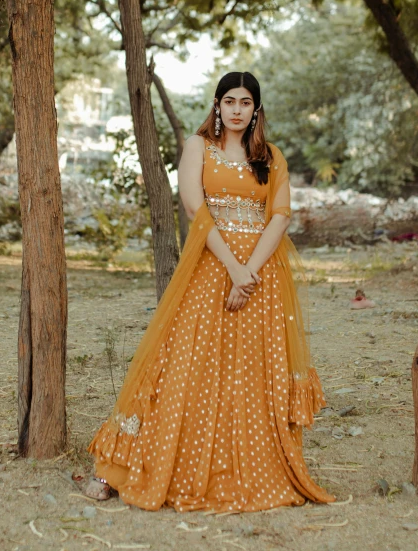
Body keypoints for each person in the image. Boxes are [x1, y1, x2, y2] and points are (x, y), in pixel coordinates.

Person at [85, 71, 336, 512]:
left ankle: (251, 468)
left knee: (254, 374)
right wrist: (234, 269)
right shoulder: (198, 147)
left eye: (245, 102)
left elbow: (279, 215)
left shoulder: (272, 157)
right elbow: (193, 206)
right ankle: (129, 467)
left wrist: (249, 273)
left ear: (256, 109)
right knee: (182, 364)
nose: (237, 110)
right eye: (229, 101)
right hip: (209, 266)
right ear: (217, 106)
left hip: (261, 276)